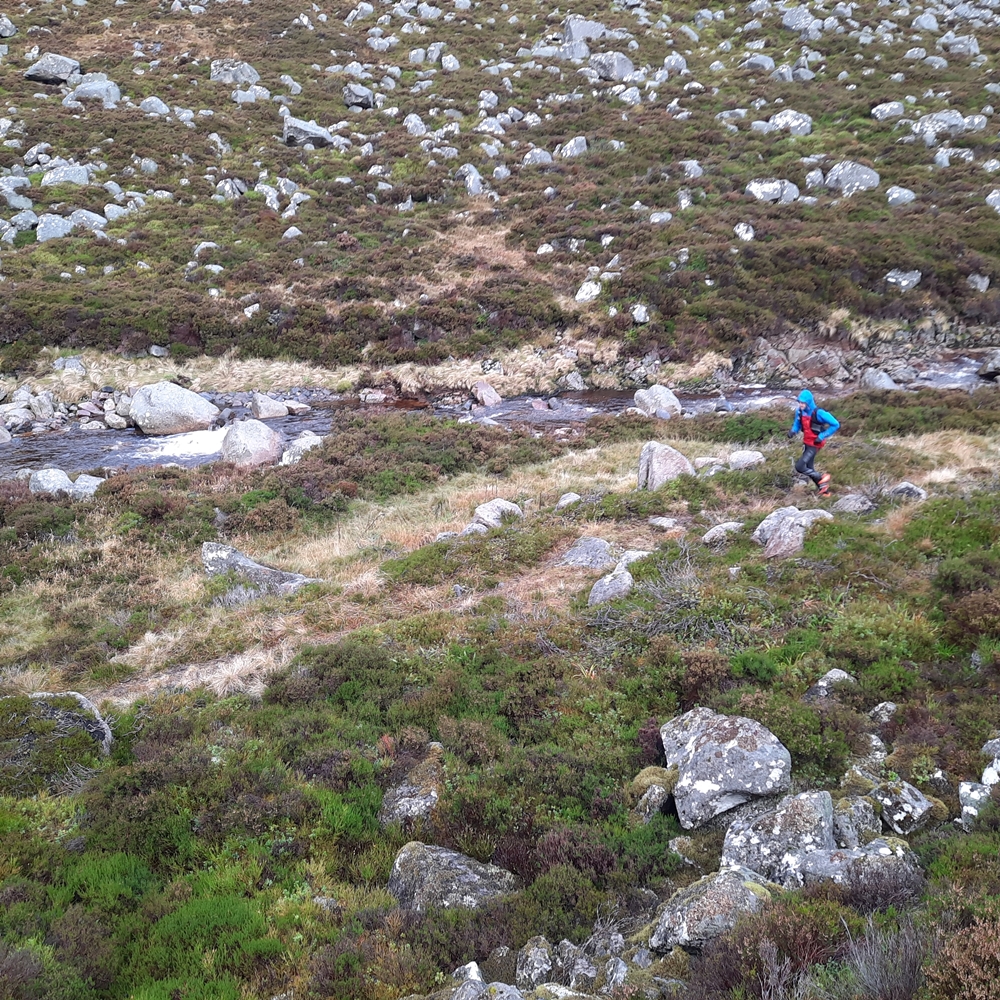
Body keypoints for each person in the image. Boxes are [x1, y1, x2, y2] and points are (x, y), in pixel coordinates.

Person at [787, 390, 839, 495]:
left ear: (808, 402)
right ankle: (825, 492)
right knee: (809, 468)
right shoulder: (800, 412)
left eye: (803, 403)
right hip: (807, 442)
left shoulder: (819, 413)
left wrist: (822, 436)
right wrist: (793, 431)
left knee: (799, 467)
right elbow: (797, 424)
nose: (801, 404)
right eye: (799, 402)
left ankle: (822, 477)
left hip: (815, 444)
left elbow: (835, 424)